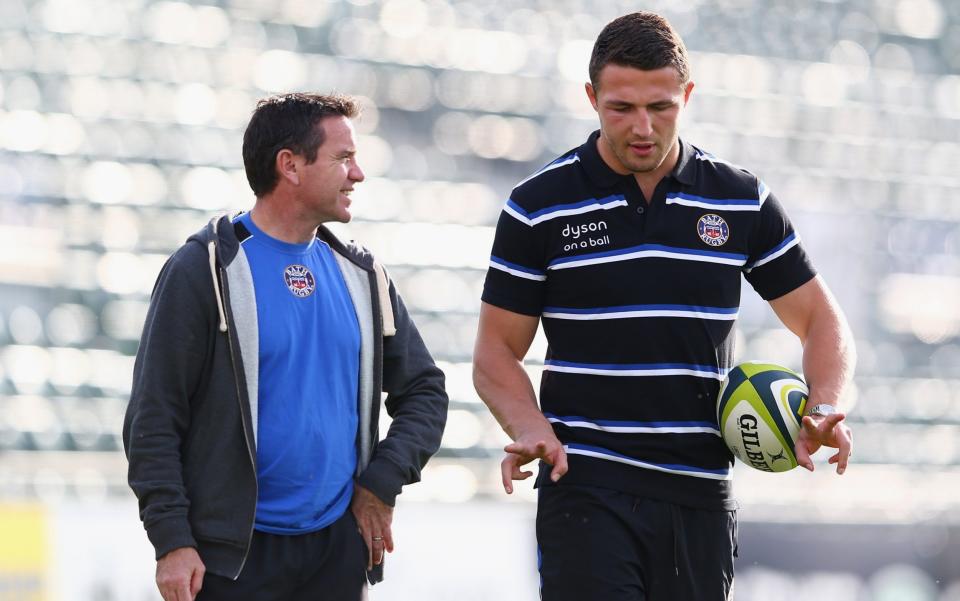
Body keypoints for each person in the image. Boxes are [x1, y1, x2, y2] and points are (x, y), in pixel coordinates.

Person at [473, 12, 855, 601]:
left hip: (699, 492)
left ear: (688, 95)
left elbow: (821, 321)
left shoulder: (740, 200)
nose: (642, 127)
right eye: (621, 108)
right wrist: (531, 428)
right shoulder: (538, 206)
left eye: (662, 106)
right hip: (586, 487)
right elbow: (496, 353)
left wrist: (827, 402)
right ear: (592, 97)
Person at [124, 92, 448, 601]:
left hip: (334, 555)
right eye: (343, 158)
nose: (358, 174)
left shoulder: (363, 276)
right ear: (289, 166)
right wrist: (171, 541)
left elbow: (426, 391)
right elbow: (154, 417)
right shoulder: (202, 272)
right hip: (229, 559)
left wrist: (381, 481)